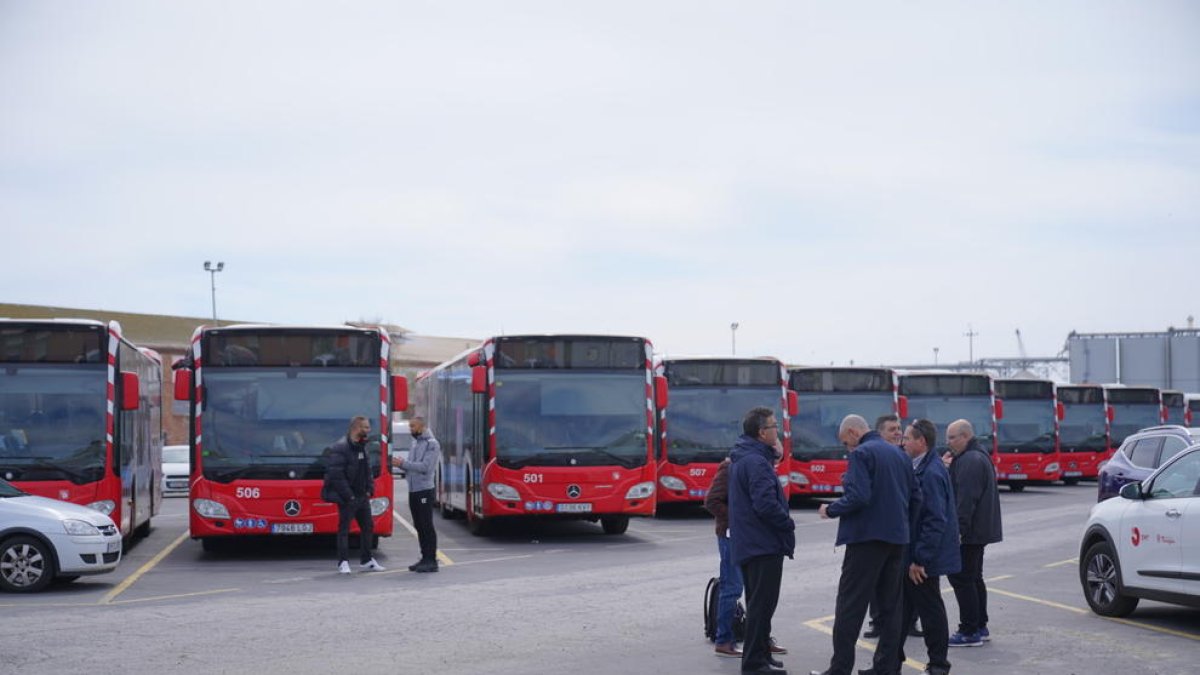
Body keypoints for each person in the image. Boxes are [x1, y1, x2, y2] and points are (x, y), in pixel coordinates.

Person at [811, 415, 920, 675]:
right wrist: (903, 529)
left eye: (845, 442)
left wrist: (831, 509)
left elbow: (859, 496)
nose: (846, 448)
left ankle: (840, 669)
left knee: (850, 605)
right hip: (897, 539)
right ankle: (886, 668)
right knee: (891, 607)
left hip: (866, 540)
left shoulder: (861, 454)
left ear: (852, 432)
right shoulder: (900, 455)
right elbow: (917, 498)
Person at [729, 407, 795, 674]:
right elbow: (765, 504)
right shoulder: (755, 462)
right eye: (773, 427)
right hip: (762, 545)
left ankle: (761, 655)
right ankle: (755, 663)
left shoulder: (747, 458)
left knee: (761, 604)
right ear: (761, 432)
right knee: (761, 606)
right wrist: (787, 522)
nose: (777, 431)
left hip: (752, 543)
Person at [705, 454, 790, 660]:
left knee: (758, 591)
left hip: (751, 536)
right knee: (732, 587)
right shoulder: (730, 468)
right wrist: (738, 518)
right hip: (731, 536)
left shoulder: (760, 468)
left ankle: (761, 640)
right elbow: (711, 501)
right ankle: (724, 640)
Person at [896, 419, 960, 675]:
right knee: (903, 611)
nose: (903, 442)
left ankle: (938, 664)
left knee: (929, 610)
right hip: (917, 554)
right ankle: (889, 663)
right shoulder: (921, 467)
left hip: (923, 559)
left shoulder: (931, 472)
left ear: (921, 442)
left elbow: (934, 519)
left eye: (908, 438)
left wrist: (919, 559)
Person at [944, 419, 1002, 647]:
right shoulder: (976, 456)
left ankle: (969, 630)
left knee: (962, 578)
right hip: (979, 531)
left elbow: (966, 501)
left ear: (965, 436)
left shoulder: (970, 460)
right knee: (974, 577)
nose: (948, 443)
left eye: (952, 438)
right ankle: (980, 624)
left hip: (970, 533)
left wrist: (958, 531)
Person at [864, 414, 915, 639]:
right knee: (877, 582)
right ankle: (878, 621)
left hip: (900, 531)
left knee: (901, 583)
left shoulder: (904, 457)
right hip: (877, 533)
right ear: (879, 433)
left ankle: (908, 622)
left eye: (899, 429)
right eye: (892, 429)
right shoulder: (871, 456)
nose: (897, 433)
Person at [324, 416, 385, 574]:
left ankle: (367, 560)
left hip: (362, 496)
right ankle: (343, 562)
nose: (368, 430)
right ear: (356, 428)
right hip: (347, 498)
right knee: (344, 529)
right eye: (365, 427)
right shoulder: (340, 447)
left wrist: (369, 489)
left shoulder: (362, 446)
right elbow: (336, 475)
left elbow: (367, 470)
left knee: (368, 527)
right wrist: (349, 496)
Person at [392, 416, 440, 573]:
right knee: (418, 524)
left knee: (426, 524)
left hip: (424, 489)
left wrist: (403, 464)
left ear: (422, 426)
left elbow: (426, 467)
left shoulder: (431, 444)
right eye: (409, 426)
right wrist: (403, 466)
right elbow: (413, 467)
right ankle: (424, 556)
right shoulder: (415, 443)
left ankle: (431, 560)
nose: (410, 429)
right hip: (413, 489)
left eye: (413, 426)